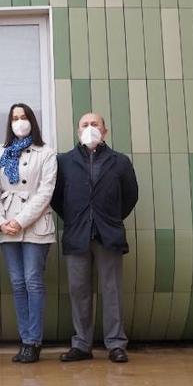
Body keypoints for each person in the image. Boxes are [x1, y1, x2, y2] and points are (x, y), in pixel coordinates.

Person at [52, 113, 139, 364]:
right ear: (78, 131)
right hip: (77, 233)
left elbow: (130, 196)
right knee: (79, 290)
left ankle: (116, 343)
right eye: (85, 125)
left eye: (95, 125)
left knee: (111, 289)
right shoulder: (64, 161)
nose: (90, 128)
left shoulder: (120, 162)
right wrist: (75, 218)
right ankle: (81, 344)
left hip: (108, 234)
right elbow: (57, 198)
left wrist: (110, 218)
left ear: (105, 131)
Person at [0, 103, 57, 364]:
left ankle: (33, 342)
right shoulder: (0, 155)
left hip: (35, 225)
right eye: (15, 118)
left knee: (33, 281)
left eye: (24, 117)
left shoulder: (46, 153)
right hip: (7, 226)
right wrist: (0, 222)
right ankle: (24, 339)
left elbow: (45, 192)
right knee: (17, 284)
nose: (19, 121)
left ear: (32, 120)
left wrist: (20, 220)